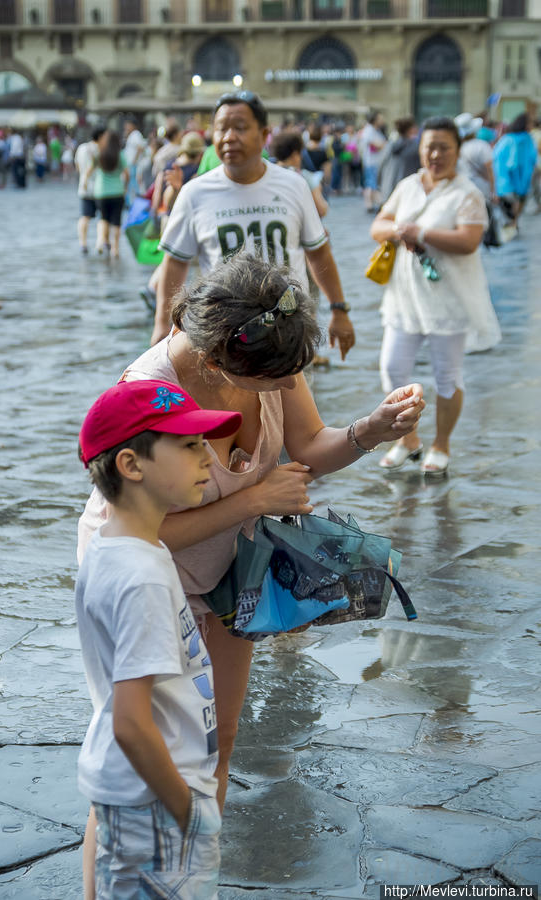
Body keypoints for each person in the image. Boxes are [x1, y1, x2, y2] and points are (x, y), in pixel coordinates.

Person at [78, 251, 425, 898]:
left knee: (220, 735)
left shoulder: (270, 341)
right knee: (136, 753)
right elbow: (140, 529)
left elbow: (310, 443)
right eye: (271, 384)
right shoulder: (152, 389)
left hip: (230, 569)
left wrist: (369, 431)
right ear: (214, 362)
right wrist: (254, 501)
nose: (279, 389)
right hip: (150, 569)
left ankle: (193, 870)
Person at [77, 379, 242, 898]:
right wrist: (190, 813)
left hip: (139, 796)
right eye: (190, 446)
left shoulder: (116, 547)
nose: (209, 461)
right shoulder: (141, 575)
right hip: (157, 802)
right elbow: (130, 722)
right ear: (132, 465)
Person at [152, 90, 355, 360]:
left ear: (263, 134)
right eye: (221, 128)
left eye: (240, 128)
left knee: (293, 401)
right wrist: (162, 326)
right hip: (224, 333)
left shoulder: (293, 186)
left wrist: (339, 309)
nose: (228, 137)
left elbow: (318, 252)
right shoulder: (194, 194)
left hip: (289, 330)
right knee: (228, 404)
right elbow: (175, 263)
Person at [371, 116, 501, 476]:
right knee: (392, 368)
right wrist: (400, 230)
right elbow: (378, 225)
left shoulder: (467, 193)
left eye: (444, 146)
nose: (435, 153)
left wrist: (422, 232)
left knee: (447, 376)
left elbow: (469, 240)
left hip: (450, 300)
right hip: (406, 296)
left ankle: (441, 444)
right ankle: (408, 440)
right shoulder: (409, 185)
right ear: (420, 148)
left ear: (458, 150)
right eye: (429, 146)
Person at [493, 113, 538, 227]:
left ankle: (513, 222)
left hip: (516, 178)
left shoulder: (512, 138)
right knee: (514, 201)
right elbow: (503, 159)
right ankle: (512, 222)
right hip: (511, 178)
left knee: (517, 200)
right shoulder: (513, 139)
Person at [88, 130, 128, 258]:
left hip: (101, 192)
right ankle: (115, 248)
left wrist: (84, 182)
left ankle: (100, 241)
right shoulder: (120, 155)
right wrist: (125, 187)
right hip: (117, 191)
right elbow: (127, 174)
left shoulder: (99, 154)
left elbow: (89, 170)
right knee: (116, 222)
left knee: (103, 218)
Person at [271, 130, 328, 218]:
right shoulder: (304, 177)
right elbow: (321, 210)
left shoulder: (268, 174)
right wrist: (318, 189)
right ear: (295, 154)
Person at [75, 125, 105, 254]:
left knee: (85, 216)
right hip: (100, 187)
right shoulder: (100, 150)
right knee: (103, 218)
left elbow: (77, 166)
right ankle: (100, 242)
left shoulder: (81, 148)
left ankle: (83, 244)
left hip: (84, 187)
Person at [378, 116, 420, 204]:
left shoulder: (389, 145)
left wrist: (380, 183)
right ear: (411, 129)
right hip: (407, 192)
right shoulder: (415, 147)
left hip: (388, 189)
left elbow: (381, 165)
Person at [361, 111, 386, 212]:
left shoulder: (376, 131)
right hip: (371, 162)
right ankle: (375, 203)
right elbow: (378, 145)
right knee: (372, 184)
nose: (382, 120)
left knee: (371, 184)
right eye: (380, 118)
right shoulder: (369, 131)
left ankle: (371, 204)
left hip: (376, 162)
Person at [123, 115, 146, 205]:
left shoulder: (135, 134)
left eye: (128, 125)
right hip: (131, 164)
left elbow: (140, 148)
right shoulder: (133, 135)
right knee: (131, 184)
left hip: (133, 165)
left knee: (133, 184)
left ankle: (136, 203)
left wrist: (134, 161)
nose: (126, 127)